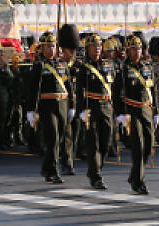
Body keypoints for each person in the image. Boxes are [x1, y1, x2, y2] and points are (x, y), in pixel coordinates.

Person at [26, 31, 73, 184]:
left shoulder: (62, 64)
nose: (51, 49)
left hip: (62, 105)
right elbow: (32, 89)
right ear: (42, 48)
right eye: (48, 46)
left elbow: (69, 86)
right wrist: (31, 110)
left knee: (59, 139)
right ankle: (54, 171)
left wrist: (72, 106)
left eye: (53, 46)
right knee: (52, 137)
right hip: (47, 106)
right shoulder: (39, 66)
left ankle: (46, 167)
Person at [114, 34, 157, 195]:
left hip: (146, 109)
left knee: (149, 145)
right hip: (131, 110)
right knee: (138, 145)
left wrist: (156, 111)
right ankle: (138, 181)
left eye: (139, 48)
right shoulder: (123, 70)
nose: (137, 51)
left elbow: (153, 90)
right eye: (134, 49)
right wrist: (120, 114)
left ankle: (134, 175)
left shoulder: (147, 67)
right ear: (128, 51)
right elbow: (116, 93)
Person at [76, 32, 115, 190]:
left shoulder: (108, 65)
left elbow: (114, 88)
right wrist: (81, 110)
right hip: (91, 108)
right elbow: (79, 91)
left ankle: (96, 169)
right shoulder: (84, 68)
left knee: (106, 143)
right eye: (94, 46)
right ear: (87, 48)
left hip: (106, 107)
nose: (97, 49)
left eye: (99, 46)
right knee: (93, 144)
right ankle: (96, 176)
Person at [58, 24, 81, 175]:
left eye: (74, 50)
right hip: (64, 103)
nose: (72, 53)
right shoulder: (59, 66)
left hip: (77, 104)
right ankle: (67, 163)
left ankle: (71, 156)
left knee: (76, 134)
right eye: (70, 50)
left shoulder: (79, 65)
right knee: (66, 134)